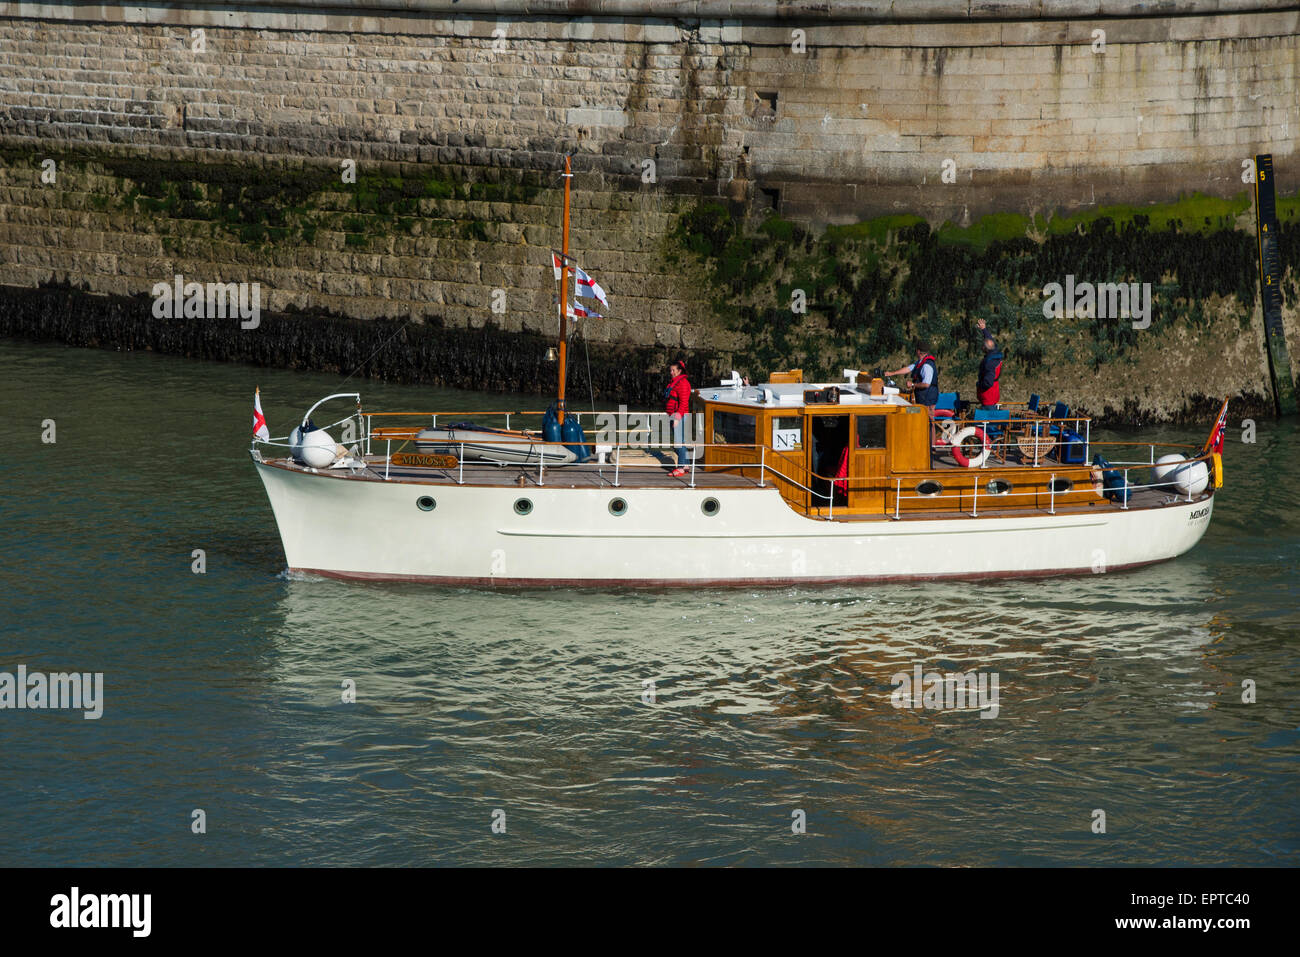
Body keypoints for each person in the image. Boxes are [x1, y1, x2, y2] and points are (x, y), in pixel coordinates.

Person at [885, 345, 939, 411]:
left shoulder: (926, 366)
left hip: (928, 396)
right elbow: (908, 368)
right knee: (916, 412)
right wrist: (892, 373)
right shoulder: (920, 362)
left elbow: (926, 384)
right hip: (922, 396)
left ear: (918, 351)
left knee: (927, 415)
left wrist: (913, 384)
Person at [664, 357, 692, 477]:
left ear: (680, 371)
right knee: (681, 441)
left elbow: (684, 403)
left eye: (674, 370)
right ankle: (685, 465)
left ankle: (680, 467)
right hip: (673, 415)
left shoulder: (683, 383)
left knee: (678, 442)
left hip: (678, 416)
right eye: (670, 370)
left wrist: (677, 418)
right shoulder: (675, 382)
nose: (671, 372)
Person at [975, 318, 1003, 410]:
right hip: (994, 393)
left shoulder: (989, 364)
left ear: (985, 349)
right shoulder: (995, 353)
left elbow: (988, 382)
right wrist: (984, 329)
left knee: (988, 422)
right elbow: (990, 340)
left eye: (983, 346)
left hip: (988, 396)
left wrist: (979, 385)